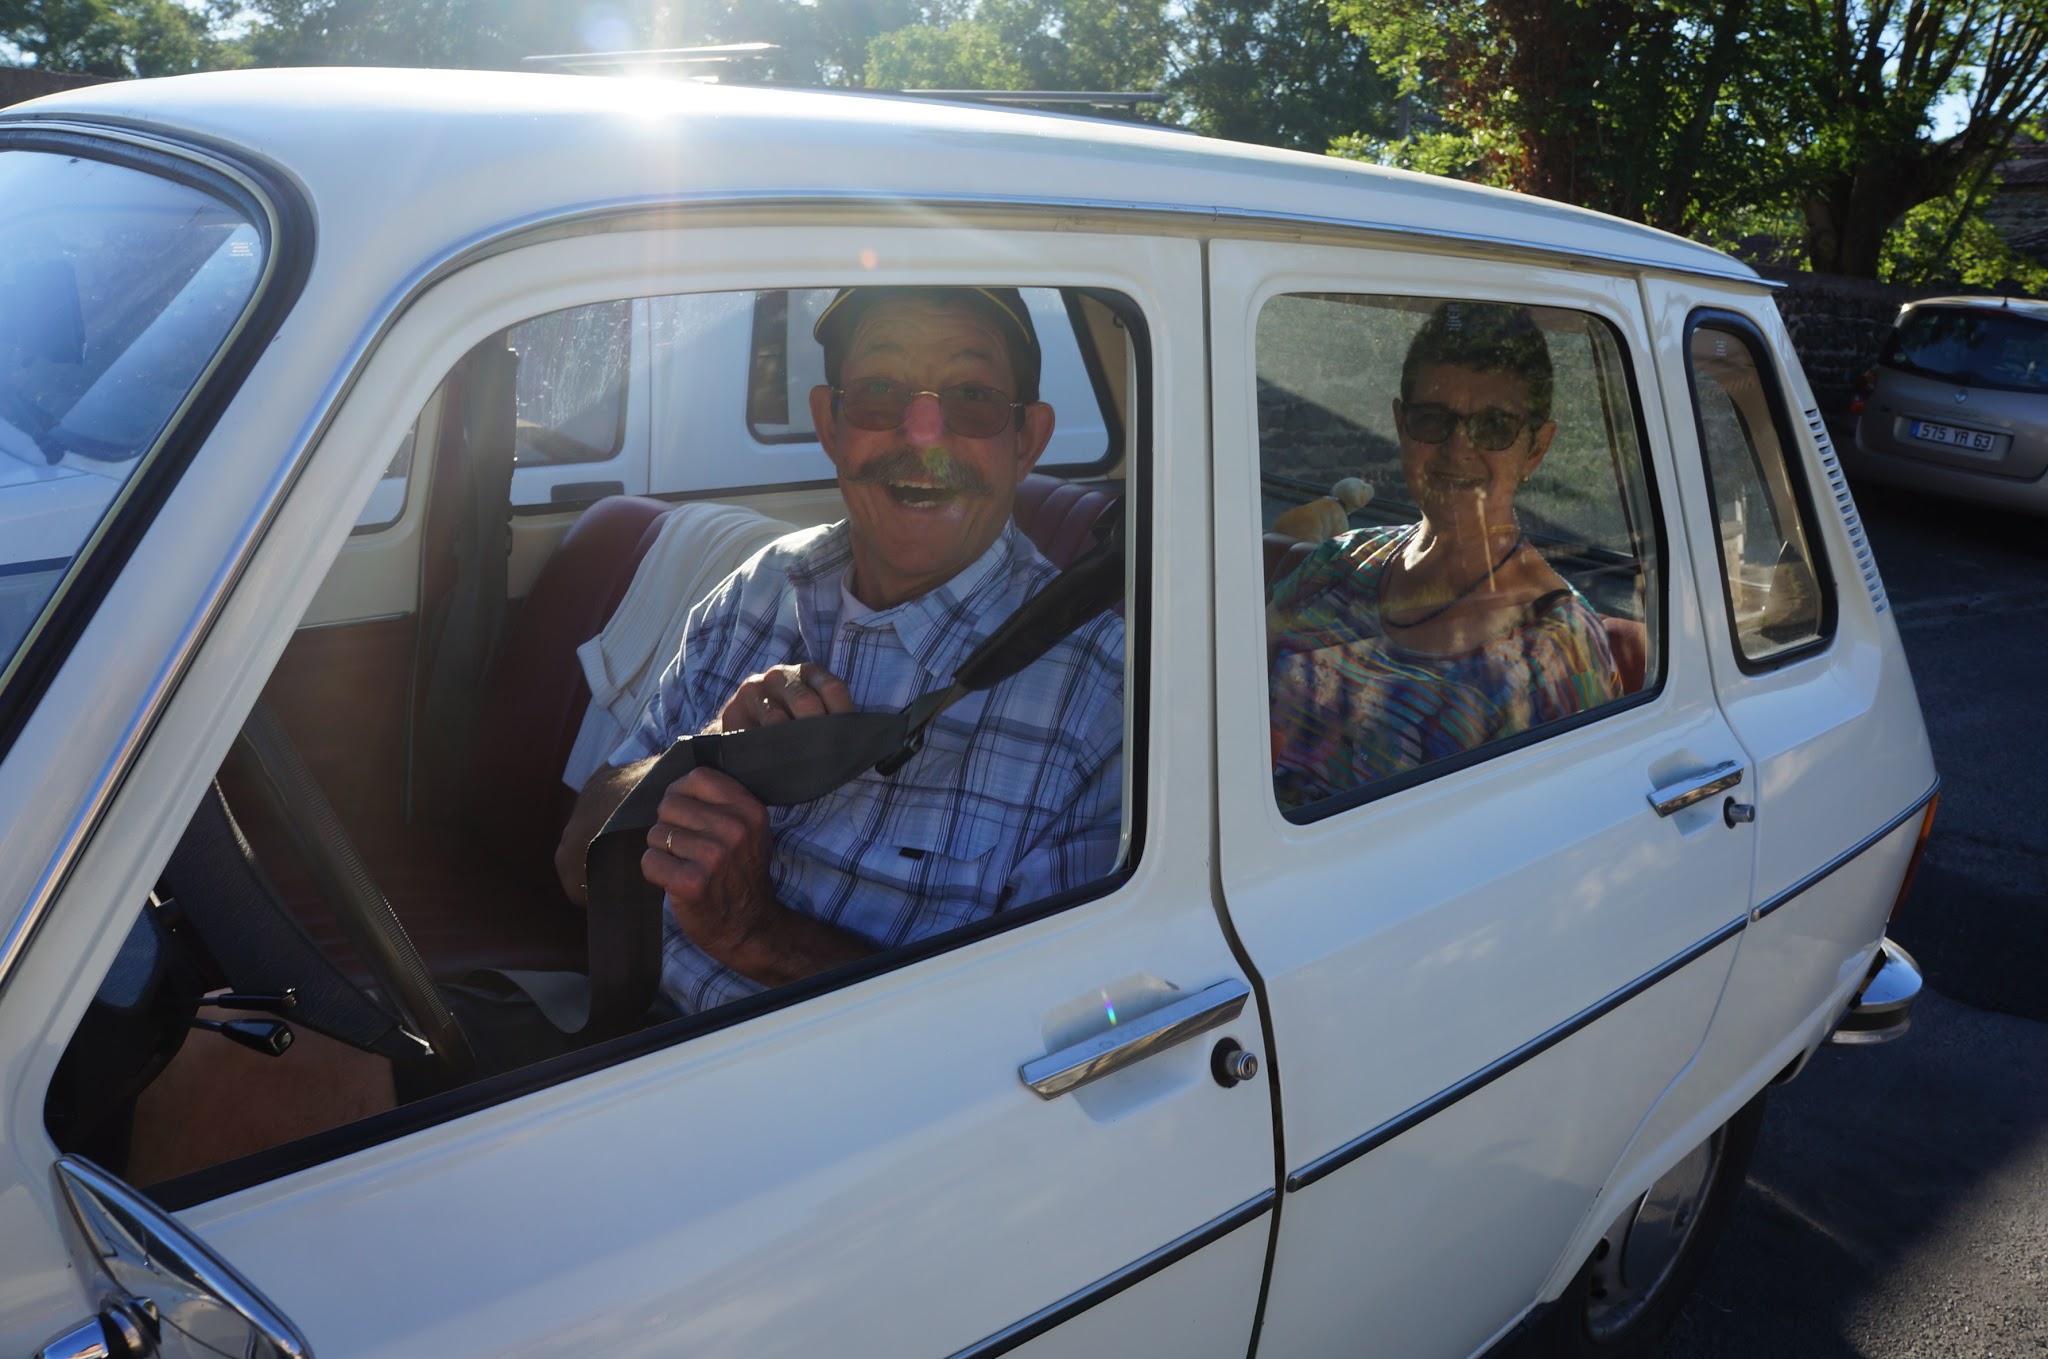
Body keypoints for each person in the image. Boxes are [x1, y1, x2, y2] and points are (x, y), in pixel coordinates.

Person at [555, 286, 1124, 1014]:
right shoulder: (762, 586)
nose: (923, 434)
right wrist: (704, 755)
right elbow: (576, 859)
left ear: (1027, 440)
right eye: (880, 391)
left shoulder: (1102, 700)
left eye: (973, 397)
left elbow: (1033, 1034)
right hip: (619, 1031)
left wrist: (759, 935)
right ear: (830, 422)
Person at [1265, 301, 1619, 809]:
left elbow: (1548, 834)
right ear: (1401, 424)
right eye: (1433, 419)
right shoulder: (1340, 561)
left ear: (1536, 449)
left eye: (1494, 426)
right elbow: (1226, 688)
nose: (1458, 448)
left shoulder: (1556, 651)